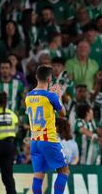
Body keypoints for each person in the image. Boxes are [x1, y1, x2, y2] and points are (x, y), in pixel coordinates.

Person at [25, 65, 69, 194]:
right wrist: (59, 96)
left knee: (38, 175)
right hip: (48, 139)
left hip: (34, 142)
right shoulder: (50, 96)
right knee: (64, 170)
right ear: (49, 79)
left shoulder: (28, 96)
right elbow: (63, 114)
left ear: (36, 77)